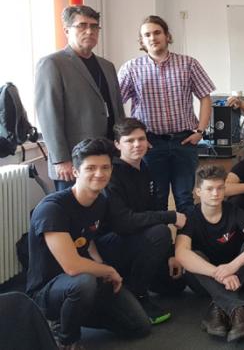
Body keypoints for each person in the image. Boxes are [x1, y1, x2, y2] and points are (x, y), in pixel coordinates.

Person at [27, 139, 151, 349]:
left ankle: (76, 313)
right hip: (47, 291)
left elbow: (88, 237)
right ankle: (66, 338)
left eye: (105, 168)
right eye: (91, 168)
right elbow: (72, 266)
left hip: (84, 282)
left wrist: (100, 265)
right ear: (75, 172)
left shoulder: (100, 201)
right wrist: (108, 270)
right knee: (83, 282)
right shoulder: (53, 209)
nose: (99, 174)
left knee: (139, 326)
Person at [118, 15, 215, 215]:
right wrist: (135, 139)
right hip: (151, 144)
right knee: (156, 198)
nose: (153, 38)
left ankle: (188, 234)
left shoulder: (188, 64)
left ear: (167, 36)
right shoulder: (131, 68)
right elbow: (116, 102)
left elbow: (205, 97)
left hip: (184, 141)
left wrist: (200, 131)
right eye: (147, 35)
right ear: (141, 41)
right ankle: (162, 236)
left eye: (157, 33)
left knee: (185, 197)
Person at [99, 118, 187, 325]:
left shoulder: (145, 169)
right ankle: (138, 295)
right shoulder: (111, 174)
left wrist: (170, 254)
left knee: (176, 285)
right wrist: (171, 216)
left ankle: (135, 281)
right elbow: (123, 222)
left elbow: (152, 211)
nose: (137, 144)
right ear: (118, 144)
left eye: (141, 139)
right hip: (110, 243)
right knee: (160, 232)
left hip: (136, 239)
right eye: (129, 141)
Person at [175, 165, 244, 343]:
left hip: (237, 276)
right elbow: (181, 254)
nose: (215, 193)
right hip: (204, 281)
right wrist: (217, 273)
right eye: (209, 189)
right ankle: (238, 310)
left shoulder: (233, 210)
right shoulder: (190, 216)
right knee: (193, 254)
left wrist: (232, 267)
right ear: (198, 192)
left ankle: (218, 309)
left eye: (220, 188)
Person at [35, 5, 125, 191]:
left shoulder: (107, 66)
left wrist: (122, 146)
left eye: (94, 26)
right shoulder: (52, 63)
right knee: (75, 209)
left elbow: (117, 109)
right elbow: (49, 116)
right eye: (82, 25)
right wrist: (61, 159)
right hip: (74, 161)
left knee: (108, 207)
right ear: (67, 30)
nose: (89, 31)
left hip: (108, 155)